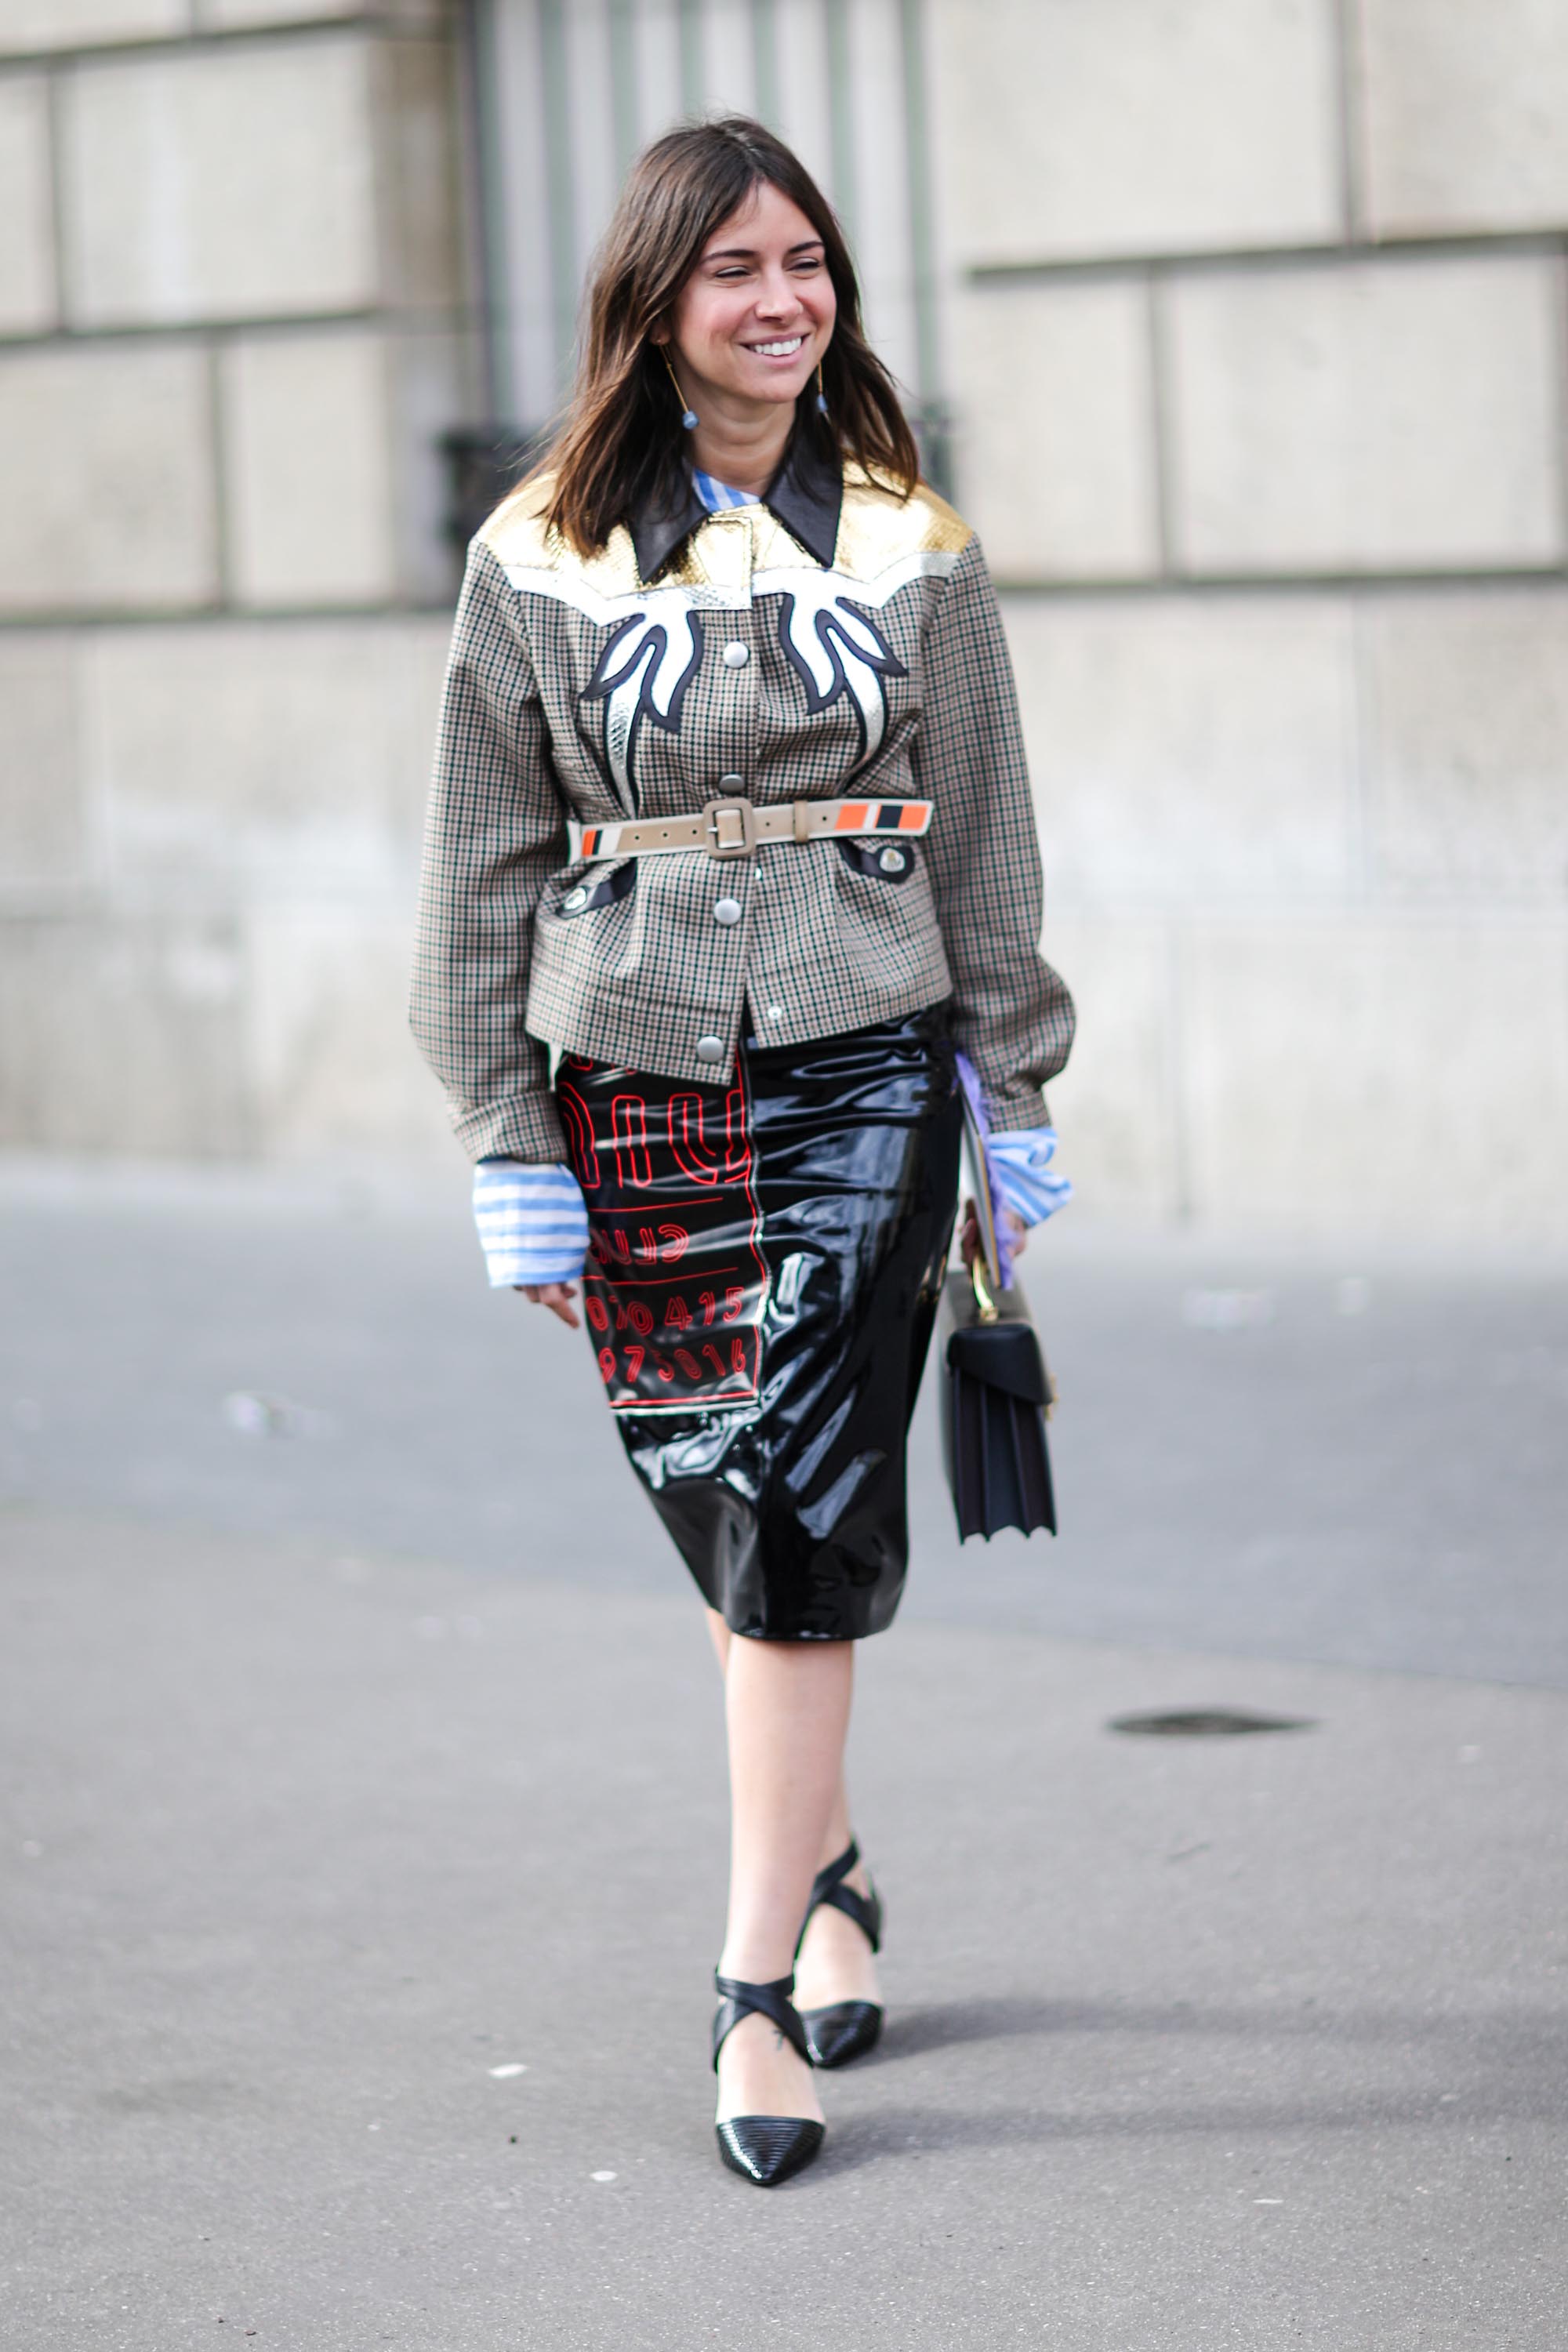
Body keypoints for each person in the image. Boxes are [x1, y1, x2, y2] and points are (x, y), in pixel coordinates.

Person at [410, 115, 1074, 2187]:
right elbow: (479, 874)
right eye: (738, 269)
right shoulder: (536, 553)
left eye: (811, 263)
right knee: (726, 1506)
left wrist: (1015, 1089)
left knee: (793, 1510)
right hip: (629, 1084)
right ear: (655, 298)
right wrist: (501, 1131)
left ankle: (754, 1989)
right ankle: (840, 1860)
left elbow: (984, 836)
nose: (785, 300)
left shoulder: (908, 537)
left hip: (869, 1064)